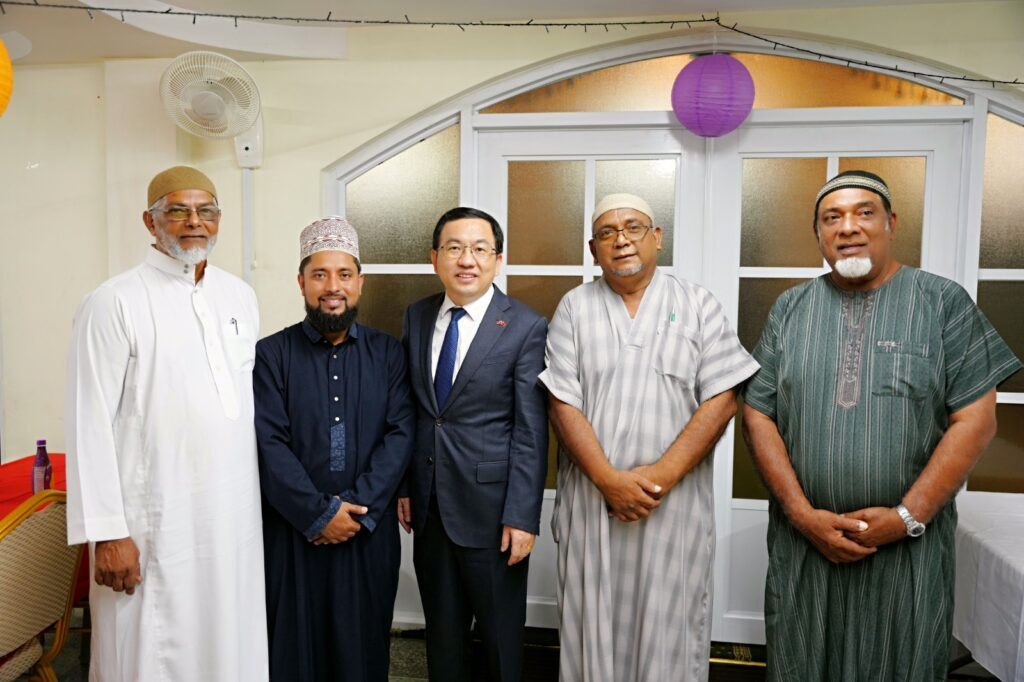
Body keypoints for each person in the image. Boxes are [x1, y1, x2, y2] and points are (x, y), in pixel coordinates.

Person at [742, 170, 1022, 681]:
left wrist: (907, 516)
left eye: (864, 212)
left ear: (891, 223)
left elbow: (976, 419)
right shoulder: (791, 308)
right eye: (832, 217)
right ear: (819, 235)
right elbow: (758, 412)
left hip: (907, 552)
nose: (848, 227)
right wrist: (803, 516)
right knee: (801, 665)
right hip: (804, 546)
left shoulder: (942, 303)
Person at [540, 193, 758, 681]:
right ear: (592, 248)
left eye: (633, 227)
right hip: (593, 503)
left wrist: (658, 478)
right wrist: (607, 479)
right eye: (607, 232)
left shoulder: (697, 303)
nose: (621, 240)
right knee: (588, 624)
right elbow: (561, 401)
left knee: (670, 628)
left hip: (672, 505)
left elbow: (723, 397)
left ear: (656, 237)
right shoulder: (574, 308)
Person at [65, 166, 268, 681]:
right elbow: (88, 421)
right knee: (152, 653)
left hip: (232, 524)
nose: (195, 222)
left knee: (229, 644)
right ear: (149, 221)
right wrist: (108, 533)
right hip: (150, 526)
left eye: (207, 211)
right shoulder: (114, 301)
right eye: (178, 210)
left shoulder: (239, 296)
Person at [254, 216, 414, 681]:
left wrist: (354, 511)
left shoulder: (389, 354)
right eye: (320, 275)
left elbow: (400, 434)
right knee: (293, 650)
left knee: (362, 652)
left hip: (367, 532)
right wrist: (318, 514)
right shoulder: (271, 355)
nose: (332, 287)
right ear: (301, 283)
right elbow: (269, 442)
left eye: (344, 275)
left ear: (359, 283)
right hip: (292, 531)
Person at [398, 207, 548, 682]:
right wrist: (405, 484)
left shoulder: (524, 325)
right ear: (435, 257)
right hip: (430, 506)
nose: (468, 259)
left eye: (480, 249)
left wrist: (522, 516)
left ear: (497, 260)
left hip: (494, 512)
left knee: (501, 640)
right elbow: (414, 410)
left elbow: (530, 428)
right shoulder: (418, 315)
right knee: (442, 638)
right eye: (455, 248)